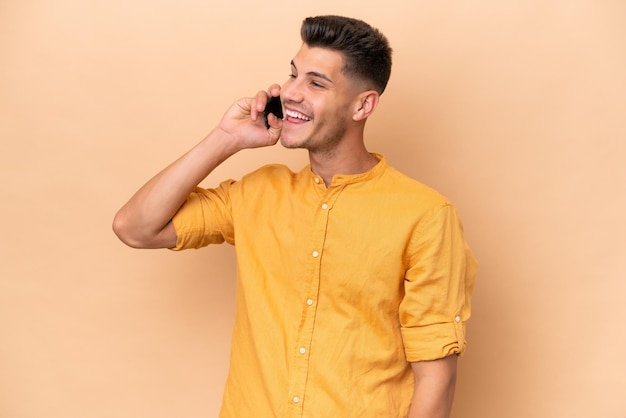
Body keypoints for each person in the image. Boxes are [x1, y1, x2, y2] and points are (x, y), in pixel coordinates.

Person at [113, 15, 477, 418]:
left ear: (363, 104)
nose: (290, 93)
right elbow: (136, 227)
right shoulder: (257, 193)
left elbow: (436, 379)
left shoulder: (425, 215)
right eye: (292, 75)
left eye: (316, 83)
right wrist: (227, 139)